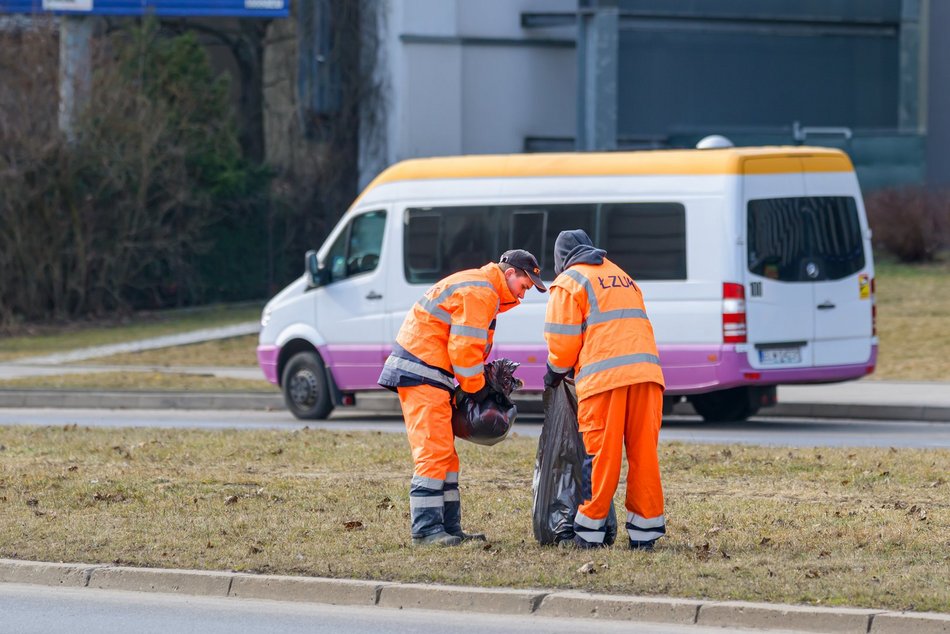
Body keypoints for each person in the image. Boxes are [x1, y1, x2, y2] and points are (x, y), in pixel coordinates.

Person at [379, 249, 546, 546]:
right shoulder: (481, 292)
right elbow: (464, 351)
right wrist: (476, 388)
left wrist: (477, 382)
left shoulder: (482, 289)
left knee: (446, 455)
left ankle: (449, 528)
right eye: (523, 287)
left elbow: (465, 351)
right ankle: (427, 531)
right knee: (433, 452)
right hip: (423, 371)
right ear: (510, 274)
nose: (522, 296)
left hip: (427, 371)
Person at [542, 230, 666, 550]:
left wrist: (554, 372)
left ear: (561, 260)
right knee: (644, 457)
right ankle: (645, 535)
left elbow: (562, 341)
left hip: (604, 380)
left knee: (599, 457)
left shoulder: (569, 282)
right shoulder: (621, 275)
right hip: (647, 376)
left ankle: (589, 532)